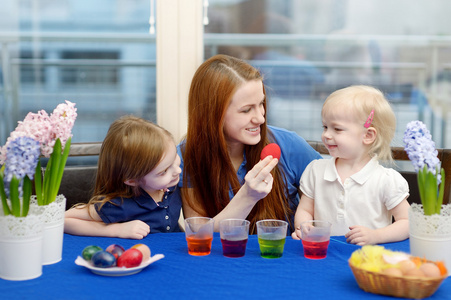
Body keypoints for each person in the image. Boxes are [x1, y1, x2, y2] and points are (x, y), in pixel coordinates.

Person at [177, 54, 322, 234]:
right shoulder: (186, 156)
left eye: (261, 104)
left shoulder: (290, 145)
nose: (260, 118)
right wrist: (248, 196)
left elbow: (335, 185)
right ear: (213, 114)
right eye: (246, 110)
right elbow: (198, 233)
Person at [291, 85, 410, 245]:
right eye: (325, 127)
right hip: (323, 255)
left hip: (368, 261)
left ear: (368, 135)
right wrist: (303, 227)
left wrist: (376, 236)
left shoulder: (385, 180)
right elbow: (305, 210)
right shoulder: (316, 170)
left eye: (337, 129)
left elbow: (408, 222)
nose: (326, 135)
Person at [64, 115, 182, 239]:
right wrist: (116, 230)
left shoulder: (173, 185)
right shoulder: (120, 205)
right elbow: (64, 220)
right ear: (132, 180)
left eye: (174, 158)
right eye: (163, 171)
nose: (177, 170)